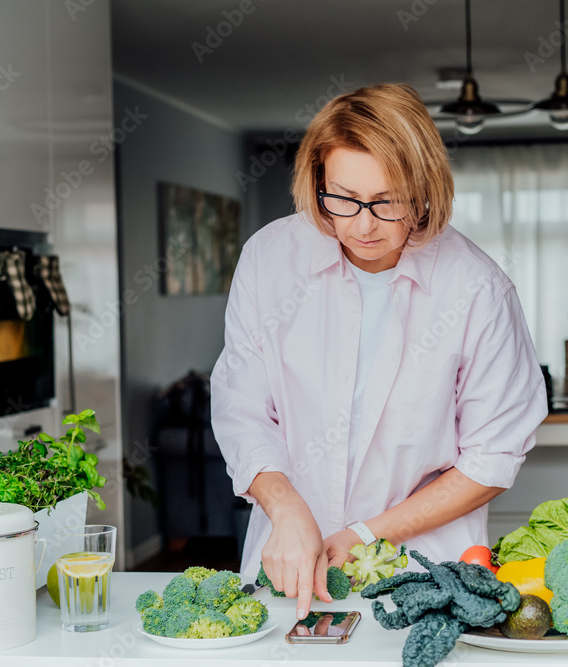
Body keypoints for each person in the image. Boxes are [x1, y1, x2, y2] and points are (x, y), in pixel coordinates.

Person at [211, 83, 547, 620]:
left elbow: (489, 460)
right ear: (316, 183)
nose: (363, 225)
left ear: (424, 189)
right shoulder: (268, 260)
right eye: (342, 198)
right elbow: (242, 409)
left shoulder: (477, 288)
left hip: (424, 572)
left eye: (387, 201)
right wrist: (287, 507)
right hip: (290, 564)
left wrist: (366, 534)